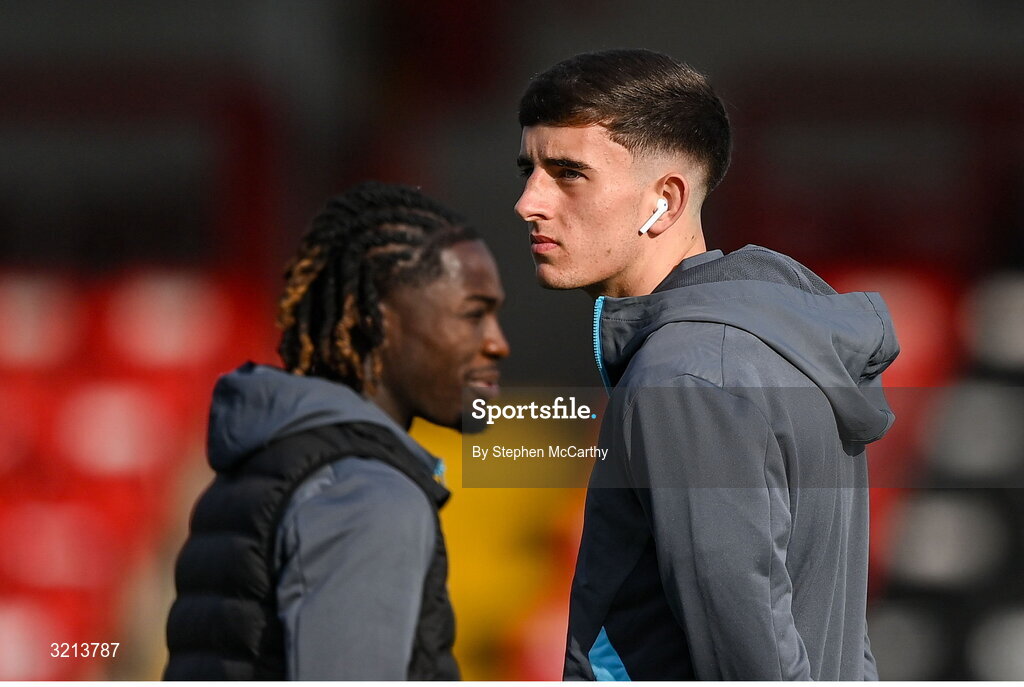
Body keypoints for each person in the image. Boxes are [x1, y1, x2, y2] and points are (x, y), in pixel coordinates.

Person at [515, 49, 899, 681]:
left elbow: (749, 658)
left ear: (665, 200)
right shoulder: (764, 347)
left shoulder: (687, 379)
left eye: (568, 173)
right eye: (528, 170)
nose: (529, 201)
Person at [163, 181, 509, 680]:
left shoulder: (263, 464)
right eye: (474, 315)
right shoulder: (369, 497)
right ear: (377, 319)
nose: (498, 344)